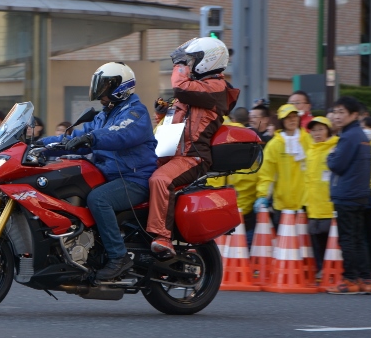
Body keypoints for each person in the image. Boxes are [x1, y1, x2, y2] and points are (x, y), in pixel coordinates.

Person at [42, 62, 157, 279]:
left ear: (120, 87)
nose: (100, 93)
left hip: (134, 178)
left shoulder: (135, 112)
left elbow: (120, 134)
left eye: (105, 87)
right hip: (108, 175)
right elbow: (73, 137)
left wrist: (91, 138)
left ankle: (118, 257)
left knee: (98, 199)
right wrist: (39, 145)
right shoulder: (103, 115)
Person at [147, 37, 239, 256]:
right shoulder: (196, 89)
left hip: (192, 157)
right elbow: (172, 123)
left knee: (160, 180)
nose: (187, 64)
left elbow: (180, 87)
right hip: (171, 154)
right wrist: (162, 112)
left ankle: (163, 237)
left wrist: (178, 65)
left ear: (209, 60)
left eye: (192, 60)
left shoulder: (216, 87)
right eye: (186, 61)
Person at [326, 97, 371, 294]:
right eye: (336, 112)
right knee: (358, 238)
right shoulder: (361, 135)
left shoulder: (348, 137)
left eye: (342, 112)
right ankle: (365, 279)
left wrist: (331, 154)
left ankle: (350, 280)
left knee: (348, 239)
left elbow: (337, 164)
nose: (337, 116)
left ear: (354, 115)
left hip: (347, 194)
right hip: (360, 194)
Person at [254, 104, 312, 228]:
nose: (292, 120)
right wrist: (263, 195)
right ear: (282, 121)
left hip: (305, 205)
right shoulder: (274, 145)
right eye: (288, 117)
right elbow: (267, 174)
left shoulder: (308, 140)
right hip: (281, 205)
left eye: (294, 116)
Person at [302, 116, 338, 277]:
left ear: (328, 131)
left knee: (330, 240)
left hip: (329, 204)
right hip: (313, 204)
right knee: (316, 240)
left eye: (321, 129)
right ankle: (320, 268)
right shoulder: (310, 150)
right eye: (314, 130)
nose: (317, 133)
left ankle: (332, 269)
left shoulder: (335, 148)